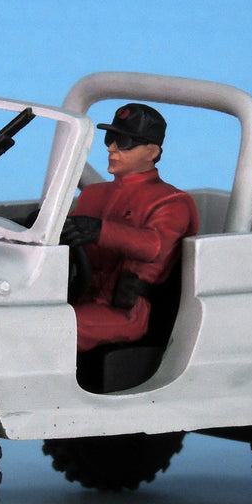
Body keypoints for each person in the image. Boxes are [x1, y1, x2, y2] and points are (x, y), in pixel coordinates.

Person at [61, 103, 199, 352]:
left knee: (49, 329)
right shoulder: (93, 195)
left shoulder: (172, 202)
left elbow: (154, 246)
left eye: (124, 141)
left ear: (151, 152)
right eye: (110, 138)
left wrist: (100, 231)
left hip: (127, 313)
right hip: (76, 297)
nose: (111, 148)